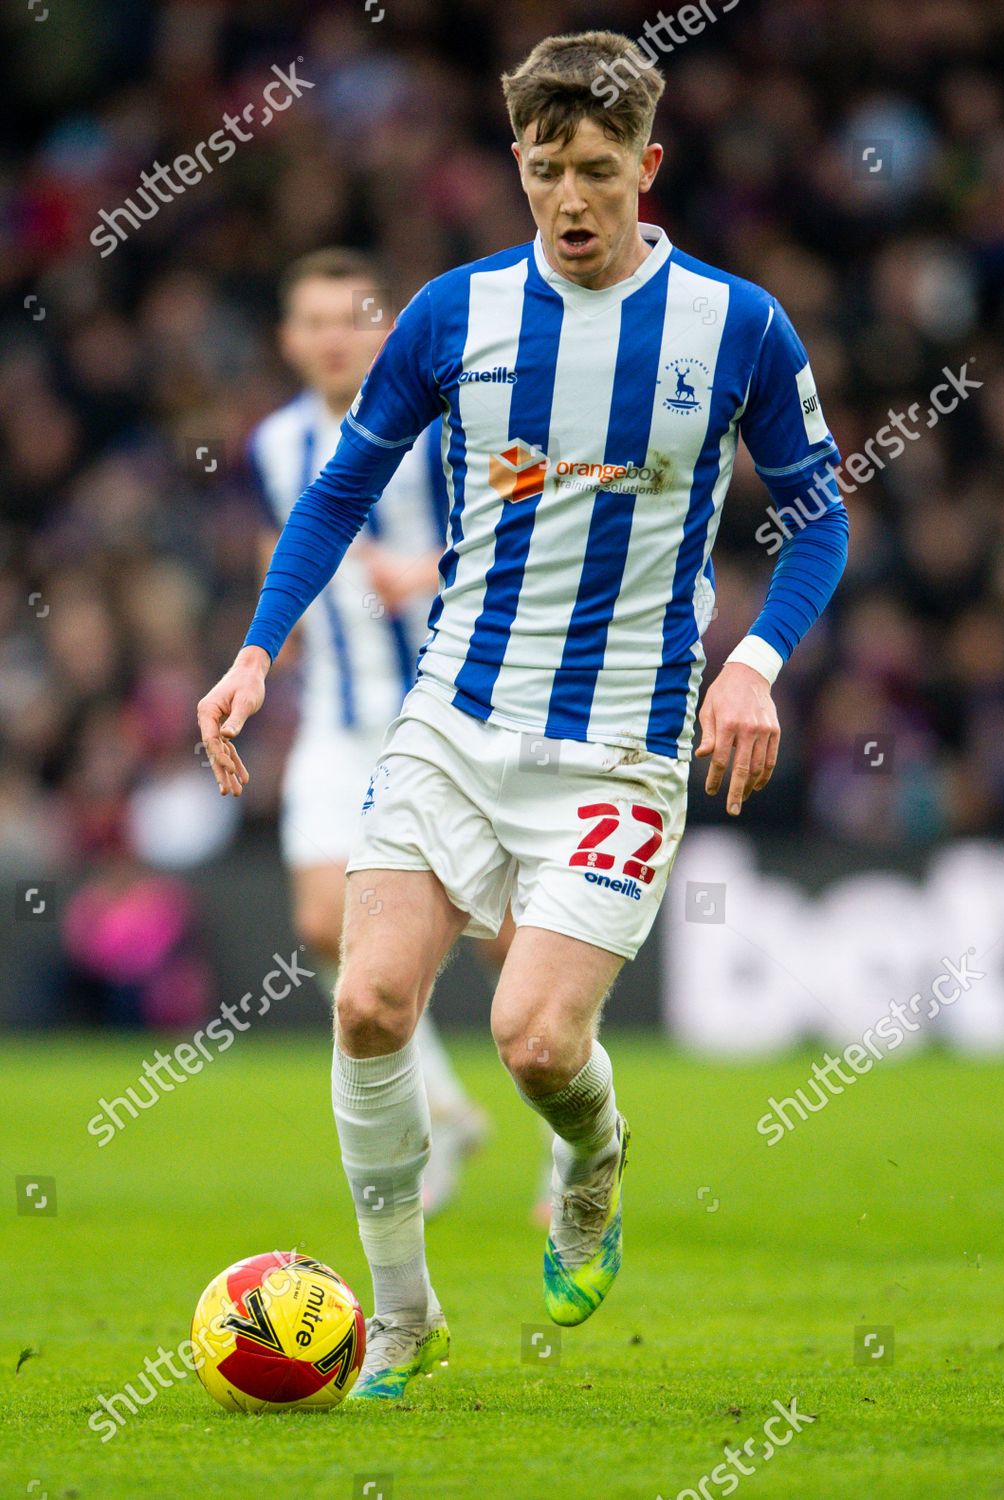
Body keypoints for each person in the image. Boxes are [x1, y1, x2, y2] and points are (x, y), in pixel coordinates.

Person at [198, 30, 848, 1401]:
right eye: (544, 169)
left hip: (618, 740)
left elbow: (815, 522)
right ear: (515, 163)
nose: (568, 198)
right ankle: (401, 1318)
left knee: (536, 1045)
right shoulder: (450, 314)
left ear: (646, 168)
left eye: (597, 172)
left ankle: (593, 1157)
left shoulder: (734, 325)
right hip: (452, 718)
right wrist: (258, 649)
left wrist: (756, 662)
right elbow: (331, 494)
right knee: (369, 1001)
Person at [247, 247, 491, 1214]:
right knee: (320, 922)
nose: (332, 336)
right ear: (288, 340)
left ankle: (576, 1151)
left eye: (351, 317)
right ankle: (438, 1103)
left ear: (384, 329)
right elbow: (290, 537)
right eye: (312, 321)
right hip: (340, 719)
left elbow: (517, 521)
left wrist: (423, 567)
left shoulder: (437, 425)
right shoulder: (273, 444)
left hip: (447, 711)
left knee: (503, 943)